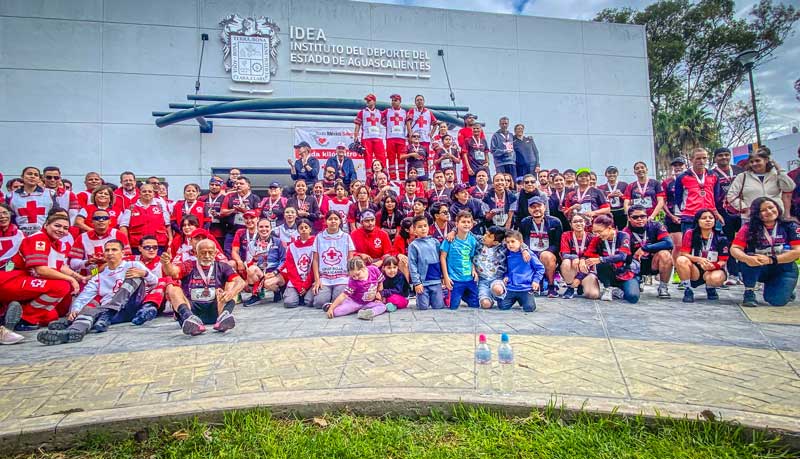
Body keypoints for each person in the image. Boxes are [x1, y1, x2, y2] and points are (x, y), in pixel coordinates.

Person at [36, 239, 159, 345]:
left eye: (114, 250)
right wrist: (75, 309)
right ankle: (74, 331)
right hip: (111, 314)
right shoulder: (98, 275)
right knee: (88, 311)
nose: (110, 253)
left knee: (134, 275)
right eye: (107, 250)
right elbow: (85, 295)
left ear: (122, 253)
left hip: (132, 306)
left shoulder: (134, 264)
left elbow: (155, 282)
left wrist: (145, 273)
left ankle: (74, 322)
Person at [0, 214, 83, 331]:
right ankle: (24, 319)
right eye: (57, 226)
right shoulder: (39, 238)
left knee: (51, 315)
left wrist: (80, 277)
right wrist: (72, 278)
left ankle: (10, 313)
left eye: (65, 228)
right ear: (46, 225)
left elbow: (60, 266)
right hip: (11, 278)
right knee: (62, 286)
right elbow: (41, 269)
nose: (61, 230)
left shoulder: (57, 243)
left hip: (26, 281)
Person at [162, 239, 245, 335]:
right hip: (193, 310)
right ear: (196, 254)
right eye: (203, 253)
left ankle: (224, 316)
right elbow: (172, 272)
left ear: (215, 253)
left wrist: (230, 293)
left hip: (216, 308)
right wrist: (166, 263)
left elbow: (241, 282)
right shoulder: (189, 265)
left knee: (232, 284)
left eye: (210, 253)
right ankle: (189, 318)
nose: (207, 256)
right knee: (172, 287)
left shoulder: (223, 267)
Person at [730, 197, 800, 307]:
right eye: (763, 210)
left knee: (777, 301)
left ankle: (785, 289)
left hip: (783, 267)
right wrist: (746, 258)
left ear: (777, 208)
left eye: (771, 207)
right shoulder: (748, 227)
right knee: (748, 258)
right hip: (758, 265)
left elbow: (797, 251)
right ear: (757, 214)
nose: (769, 211)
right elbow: (734, 249)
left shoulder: (790, 226)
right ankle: (749, 291)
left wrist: (771, 259)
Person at [726, 146, 794, 222]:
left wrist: (780, 171)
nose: (754, 164)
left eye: (757, 161)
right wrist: (745, 208)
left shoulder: (776, 175)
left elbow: (789, 188)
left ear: (766, 160)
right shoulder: (742, 177)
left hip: (776, 216)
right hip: (752, 218)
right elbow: (731, 196)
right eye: (751, 162)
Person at [676, 209, 729, 303]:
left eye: (711, 218)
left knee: (715, 278)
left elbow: (723, 260)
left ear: (714, 221)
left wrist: (714, 266)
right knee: (681, 260)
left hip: (712, 268)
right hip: (695, 268)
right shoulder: (690, 233)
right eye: (704, 218)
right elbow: (684, 253)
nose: (708, 220)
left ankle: (710, 287)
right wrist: (698, 259)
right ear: (697, 221)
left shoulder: (721, 236)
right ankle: (688, 289)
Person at [710, 147, 745, 285]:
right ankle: (733, 274)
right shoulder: (712, 174)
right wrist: (716, 213)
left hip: (742, 211)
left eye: (726, 155)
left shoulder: (739, 171)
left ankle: (745, 272)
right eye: (720, 156)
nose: (724, 158)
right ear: (715, 158)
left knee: (745, 242)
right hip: (723, 213)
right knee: (728, 242)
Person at [623, 205, 674, 298]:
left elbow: (669, 243)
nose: (640, 219)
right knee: (631, 294)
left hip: (653, 262)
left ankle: (663, 287)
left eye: (643, 216)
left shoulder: (656, 226)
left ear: (647, 216)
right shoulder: (625, 233)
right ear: (629, 218)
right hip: (636, 265)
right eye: (635, 217)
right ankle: (638, 279)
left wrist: (644, 248)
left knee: (665, 254)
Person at [585, 214, 639, 304]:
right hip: (609, 273)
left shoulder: (623, 236)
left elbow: (622, 256)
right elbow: (588, 254)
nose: (597, 235)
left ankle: (619, 290)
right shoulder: (597, 239)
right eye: (595, 232)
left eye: (599, 231)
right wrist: (585, 260)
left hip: (625, 272)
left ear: (609, 228)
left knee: (633, 297)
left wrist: (601, 259)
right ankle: (607, 288)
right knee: (600, 262)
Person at [519, 196, 562, 297]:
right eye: (533, 207)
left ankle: (551, 286)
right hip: (531, 252)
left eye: (539, 206)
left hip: (548, 253)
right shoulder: (525, 222)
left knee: (545, 256)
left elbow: (557, 243)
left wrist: (543, 253)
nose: (536, 209)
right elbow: (521, 240)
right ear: (529, 209)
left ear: (545, 207)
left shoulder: (555, 222)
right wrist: (525, 250)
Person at [674, 148, 724, 233]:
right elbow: (678, 198)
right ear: (691, 160)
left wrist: (714, 212)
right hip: (690, 217)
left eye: (704, 158)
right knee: (689, 243)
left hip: (709, 216)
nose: (701, 161)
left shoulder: (713, 175)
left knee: (711, 244)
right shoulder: (682, 177)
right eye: (698, 158)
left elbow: (716, 197)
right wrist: (685, 210)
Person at [312, 211, 355, 309]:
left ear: (340, 221)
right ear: (326, 221)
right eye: (330, 219)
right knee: (319, 302)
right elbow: (315, 260)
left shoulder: (346, 237)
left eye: (336, 219)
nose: (333, 221)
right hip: (325, 278)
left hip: (342, 278)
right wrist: (317, 279)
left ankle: (332, 303)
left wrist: (350, 278)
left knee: (339, 299)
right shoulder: (319, 237)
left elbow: (350, 259)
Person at [69, 208, 130, 276]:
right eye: (97, 218)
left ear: (110, 221)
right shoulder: (82, 237)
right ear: (92, 222)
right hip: (91, 276)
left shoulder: (119, 235)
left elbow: (128, 258)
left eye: (105, 218)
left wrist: (108, 261)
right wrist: (87, 262)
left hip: (115, 274)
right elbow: (73, 263)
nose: (101, 220)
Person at [441, 210, 480, 309]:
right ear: (456, 224)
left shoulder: (472, 240)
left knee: (475, 305)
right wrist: (446, 277)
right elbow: (443, 257)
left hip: (469, 278)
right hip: (455, 279)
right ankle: (448, 293)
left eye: (468, 222)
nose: (466, 224)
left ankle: (463, 294)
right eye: (463, 222)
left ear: (471, 224)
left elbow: (472, 257)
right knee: (453, 306)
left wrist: (473, 269)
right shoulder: (449, 239)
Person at [118, 183, 171, 254]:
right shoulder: (131, 208)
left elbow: (168, 225)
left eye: (150, 191)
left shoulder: (161, 207)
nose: (147, 193)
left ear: (153, 194)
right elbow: (123, 227)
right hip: (137, 246)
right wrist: (126, 245)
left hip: (158, 245)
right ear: (139, 194)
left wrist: (170, 239)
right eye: (144, 191)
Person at [243, 218, 286, 305]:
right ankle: (256, 295)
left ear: (271, 228)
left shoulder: (278, 242)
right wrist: (254, 259)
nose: (264, 229)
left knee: (268, 283)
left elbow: (284, 260)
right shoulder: (252, 244)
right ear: (257, 228)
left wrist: (275, 272)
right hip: (262, 271)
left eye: (267, 227)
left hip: (276, 272)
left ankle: (278, 291)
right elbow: (248, 263)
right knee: (251, 270)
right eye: (261, 227)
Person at [500, 230, 545, 311]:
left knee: (529, 308)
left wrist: (536, 280)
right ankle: (517, 299)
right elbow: (506, 268)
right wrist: (506, 276)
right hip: (512, 287)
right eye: (508, 242)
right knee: (502, 306)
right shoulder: (507, 254)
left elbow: (540, 268)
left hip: (525, 288)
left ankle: (523, 299)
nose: (510, 244)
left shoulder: (528, 254)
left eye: (513, 241)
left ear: (520, 242)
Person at [559, 213, 600, 299]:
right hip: (572, 267)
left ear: (585, 222)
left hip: (587, 269)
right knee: (567, 261)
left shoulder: (592, 237)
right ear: (571, 224)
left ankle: (579, 284)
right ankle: (570, 287)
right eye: (575, 222)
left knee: (593, 295)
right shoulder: (566, 235)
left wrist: (579, 277)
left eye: (581, 221)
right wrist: (577, 258)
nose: (578, 224)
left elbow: (591, 258)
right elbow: (564, 254)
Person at [408, 216, 445, 310]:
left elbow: (442, 259)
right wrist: (417, 283)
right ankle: (420, 298)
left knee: (439, 306)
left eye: (425, 226)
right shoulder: (413, 245)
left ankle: (438, 296)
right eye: (420, 227)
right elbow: (412, 264)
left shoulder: (435, 242)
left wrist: (443, 277)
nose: (423, 228)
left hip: (436, 280)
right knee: (423, 307)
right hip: (423, 282)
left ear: (429, 227)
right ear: (414, 230)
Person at [9, 166, 58, 236]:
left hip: (43, 235)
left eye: (36, 175)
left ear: (39, 179)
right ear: (22, 177)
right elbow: (10, 217)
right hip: (19, 235)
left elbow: (55, 215)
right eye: (29, 174)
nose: (32, 176)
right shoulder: (11, 196)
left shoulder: (50, 194)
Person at [220, 176, 261, 256]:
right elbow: (222, 212)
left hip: (248, 231)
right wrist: (233, 210)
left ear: (248, 186)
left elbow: (258, 213)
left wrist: (245, 211)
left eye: (241, 183)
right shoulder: (230, 196)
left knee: (248, 253)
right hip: (232, 230)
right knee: (229, 253)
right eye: (237, 183)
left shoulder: (255, 197)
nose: (238, 185)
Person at [473, 226, 512, 309]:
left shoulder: (503, 248)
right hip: (482, 280)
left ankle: (499, 297)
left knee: (497, 289)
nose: (484, 236)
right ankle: (488, 298)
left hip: (497, 279)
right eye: (485, 234)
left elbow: (518, 241)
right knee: (485, 305)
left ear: (495, 242)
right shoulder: (480, 242)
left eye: (488, 236)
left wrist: (524, 250)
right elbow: (467, 233)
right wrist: (453, 231)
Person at [662, 157, 688, 275]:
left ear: (685, 165)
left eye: (680, 164)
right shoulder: (667, 182)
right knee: (678, 245)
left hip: (689, 216)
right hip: (673, 217)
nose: (678, 167)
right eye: (675, 165)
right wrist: (671, 216)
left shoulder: (691, 179)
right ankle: (677, 272)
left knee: (689, 244)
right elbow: (662, 202)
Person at [282, 218, 315, 308]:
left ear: (310, 229)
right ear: (298, 230)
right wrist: (300, 286)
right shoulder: (292, 247)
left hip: (311, 280)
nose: (304, 229)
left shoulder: (316, 243)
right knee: (289, 303)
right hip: (296, 280)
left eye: (306, 227)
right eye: (301, 228)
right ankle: (297, 294)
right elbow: (290, 268)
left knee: (310, 301)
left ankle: (303, 295)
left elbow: (314, 267)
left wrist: (306, 285)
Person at [354, 93, 386, 172]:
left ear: (374, 101)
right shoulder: (362, 112)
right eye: (366, 100)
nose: (367, 102)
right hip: (366, 138)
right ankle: (369, 177)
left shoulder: (380, 113)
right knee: (368, 158)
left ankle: (383, 175)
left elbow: (386, 124)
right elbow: (357, 125)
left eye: (369, 100)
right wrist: (355, 136)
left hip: (378, 138)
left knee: (381, 157)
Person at [382, 93, 407, 181]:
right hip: (390, 138)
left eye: (395, 100)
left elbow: (408, 123)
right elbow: (379, 119)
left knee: (401, 158)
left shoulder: (404, 112)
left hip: (401, 138)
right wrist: (387, 125)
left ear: (400, 101)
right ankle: (392, 177)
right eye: (392, 100)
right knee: (391, 158)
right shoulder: (387, 111)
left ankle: (402, 177)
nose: (393, 102)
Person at [200, 176, 226, 249]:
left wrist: (218, 215)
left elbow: (228, 215)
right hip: (205, 230)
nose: (214, 187)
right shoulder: (202, 198)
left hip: (220, 231)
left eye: (217, 185)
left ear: (221, 186)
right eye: (212, 184)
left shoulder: (225, 198)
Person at [598, 166, 627, 230]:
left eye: (614, 172)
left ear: (617, 174)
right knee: (609, 230)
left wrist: (621, 195)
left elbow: (628, 198)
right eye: (609, 173)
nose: (612, 174)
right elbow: (600, 201)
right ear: (606, 174)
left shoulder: (624, 185)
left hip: (621, 212)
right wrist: (609, 195)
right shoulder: (601, 188)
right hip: (609, 213)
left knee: (622, 230)